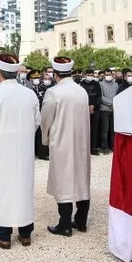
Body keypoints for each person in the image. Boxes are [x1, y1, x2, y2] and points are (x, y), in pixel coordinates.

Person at [0, 54, 41, 249]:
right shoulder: (29, 94)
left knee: (3, 190)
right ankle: (25, 234)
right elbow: (37, 121)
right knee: (24, 188)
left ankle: (4, 236)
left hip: (1, 150)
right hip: (24, 150)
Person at [41, 57, 91, 236]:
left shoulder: (53, 93)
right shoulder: (81, 91)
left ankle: (65, 225)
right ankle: (81, 221)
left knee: (63, 181)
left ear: (55, 74)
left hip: (62, 141)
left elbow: (46, 119)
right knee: (81, 178)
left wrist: (45, 138)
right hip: (82, 141)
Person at [79, 69, 101, 155]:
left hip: (95, 109)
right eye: (88, 74)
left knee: (94, 129)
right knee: (85, 129)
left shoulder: (96, 84)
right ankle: (85, 148)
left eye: (91, 74)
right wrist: (87, 106)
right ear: (85, 75)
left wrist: (93, 105)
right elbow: (80, 97)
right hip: (84, 109)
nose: (90, 76)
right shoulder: (82, 84)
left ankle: (94, 147)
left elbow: (99, 96)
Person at [99, 67, 119, 154]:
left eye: (109, 74)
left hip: (114, 110)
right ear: (104, 75)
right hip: (105, 109)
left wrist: (115, 103)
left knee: (113, 129)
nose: (108, 76)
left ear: (112, 75)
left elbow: (118, 95)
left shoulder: (116, 85)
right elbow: (101, 97)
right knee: (105, 130)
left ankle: (113, 146)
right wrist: (111, 103)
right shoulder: (100, 84)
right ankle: (105, 147)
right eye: (106, 75)